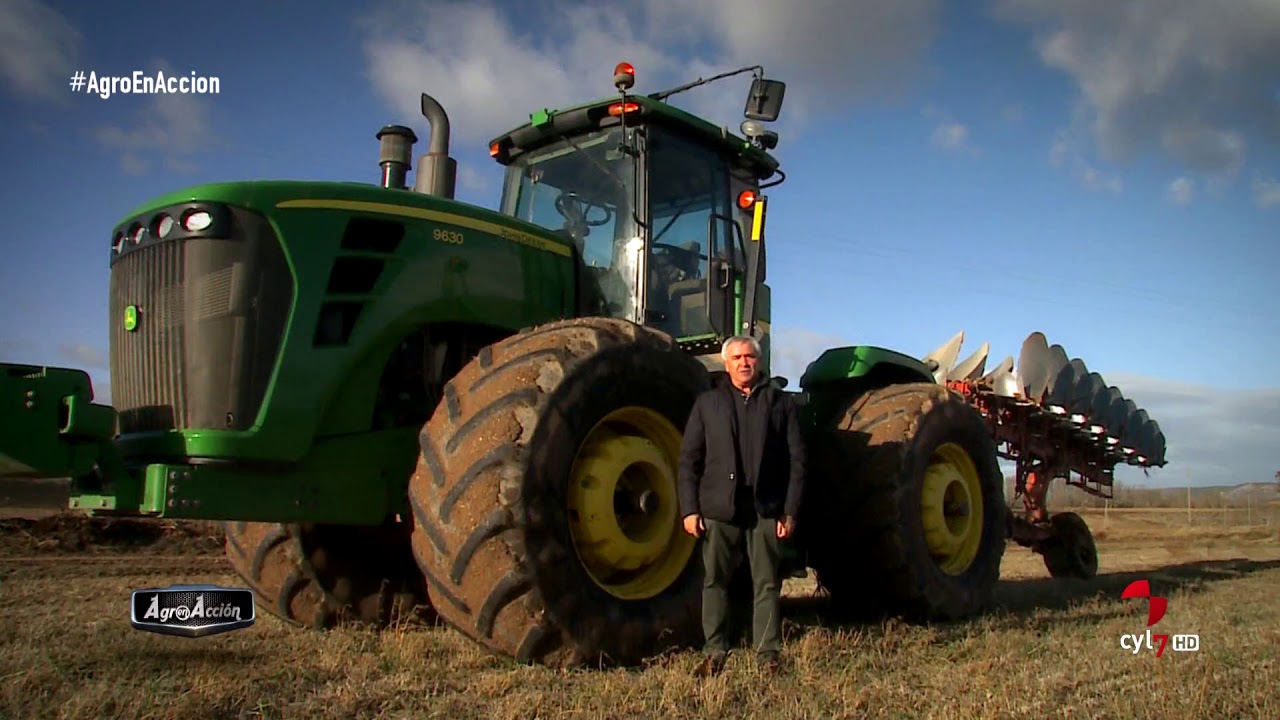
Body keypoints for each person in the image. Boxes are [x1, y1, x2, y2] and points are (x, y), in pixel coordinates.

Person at [678, 334, 806, 677]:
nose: (744, 362)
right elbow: (689, 459)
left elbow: (796, 462)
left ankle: (768, 655)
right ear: (726, 364)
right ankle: (715, 650)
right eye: (736, 358)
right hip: (720, 510)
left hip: (765, 508)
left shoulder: (781, 404)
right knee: (714, 580)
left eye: (749, 356)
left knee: (766, 582)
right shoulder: (707, 404)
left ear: (759, 361)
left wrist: (789, 510)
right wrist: (690, 509)